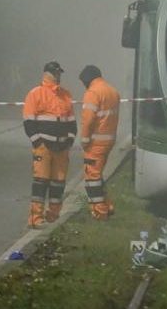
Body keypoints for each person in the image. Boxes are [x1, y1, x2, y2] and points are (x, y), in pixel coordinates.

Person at [23, 61, 76, 229]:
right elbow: (29, 121)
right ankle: (35, 218)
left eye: (59, 73)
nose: (58, 76)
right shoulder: (36, 93)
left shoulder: (66, 95)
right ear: (46, 74)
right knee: (40, 182)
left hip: (61, 148)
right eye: (55, 73)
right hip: (44, 147)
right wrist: (38, 142)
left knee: (58, 183)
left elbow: (72, 123)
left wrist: (69, 140)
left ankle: (53, 215)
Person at [79, 65, 120, 221]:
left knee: (92, 177)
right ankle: (106, 206)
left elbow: (88, 119)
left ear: (88, 80)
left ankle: (100, 212)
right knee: (97, 175)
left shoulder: (92, 93)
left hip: (96, 142)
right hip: (109, 140)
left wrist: (84, 140)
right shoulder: (112, 91)